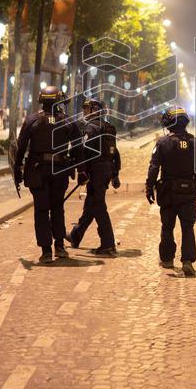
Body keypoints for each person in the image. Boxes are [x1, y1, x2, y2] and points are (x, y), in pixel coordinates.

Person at [14, 85, 85, 262]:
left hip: (37, 171)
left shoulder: (32, 120)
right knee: (57, 208)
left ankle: (46, 251)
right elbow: (78, 149)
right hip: (59, 170)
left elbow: (20, 148)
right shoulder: (68, 121)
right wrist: (81, 170)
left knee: (41, 210)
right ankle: (59, 246)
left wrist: (17, 171)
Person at [146, 106, 196, 277]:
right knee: (187, 227)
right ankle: (187, 261)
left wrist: (149, 187)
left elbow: (154, 167)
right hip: (188, 192)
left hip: (167, 191)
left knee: (167, 226)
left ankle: (167, 259)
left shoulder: (162, 143)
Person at [69, 99, 121, 255]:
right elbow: (115, 153)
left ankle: (108, 243)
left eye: (86, 108)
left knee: (98, 206)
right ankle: (75, 236)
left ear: (94, 110)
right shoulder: (109, 128)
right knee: (91, 204)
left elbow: (83, 152)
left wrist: (81, 171)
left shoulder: (90, 128)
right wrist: (115, 174)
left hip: (95, 171)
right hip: (106, 170)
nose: (84, 111)